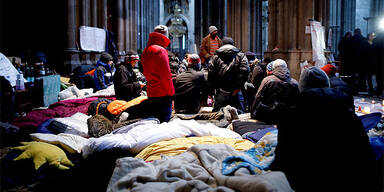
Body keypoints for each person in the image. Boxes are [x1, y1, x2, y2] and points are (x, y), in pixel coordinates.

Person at [270, 66, 380, 191]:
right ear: (327, 84)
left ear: (302, 88)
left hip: (304, 183)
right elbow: (365, 156)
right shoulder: (346, 112)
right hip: (349, 182)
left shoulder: (290, 115)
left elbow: (282, 159)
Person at [139, 25, 174, 122]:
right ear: (165, 36)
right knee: (164, 124)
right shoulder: (160, 50)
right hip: (163, 93)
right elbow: (166, 76)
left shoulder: (146, 51)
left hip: (151, 91)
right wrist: (171, 93)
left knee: (154, 122)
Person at [250, 59, 299, 125]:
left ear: (273, 68)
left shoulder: (267, 80)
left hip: (268, 117)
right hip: (287, 117)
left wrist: (252, 113)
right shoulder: (294, 82)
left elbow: (258, 98)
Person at [207, 36, 249, 112]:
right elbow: (245, 71)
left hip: (220, 92)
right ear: (233, 45)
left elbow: (210, 74)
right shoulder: (241, 56)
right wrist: (238, 87)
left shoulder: (215, 56)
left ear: (222, 45)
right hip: (236, 93)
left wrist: (212, 90)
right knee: (238, 118)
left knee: (218, 117)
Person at [351, 28, 367, 92]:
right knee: (362, 74)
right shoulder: (364, 39)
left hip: (354, 59)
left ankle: (354, 87)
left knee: (353, 74)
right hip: (362, 59)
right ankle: (362, 87)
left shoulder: (352, 39)